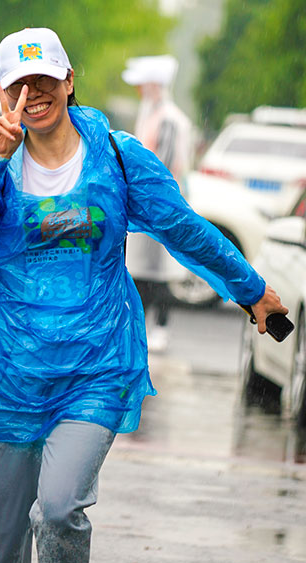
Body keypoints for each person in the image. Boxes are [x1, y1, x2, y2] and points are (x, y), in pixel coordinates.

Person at [0, 28, 287, 563]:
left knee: (57, 508)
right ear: (1, 93)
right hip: (8, 370)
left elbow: (183, 228)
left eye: (46, 82)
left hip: (95, 364)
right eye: (20, 85)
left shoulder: (117, 157)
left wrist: (251, 290)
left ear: (70, 81)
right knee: (0, 523)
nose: (35, 96)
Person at [121, 55, 194, 352]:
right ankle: (144, 326)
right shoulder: (154, 114)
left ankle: (159, 326)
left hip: (160, 204)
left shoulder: (168, 119)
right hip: (149, 203)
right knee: (145, 270)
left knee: (159, 270)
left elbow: (161, 164)